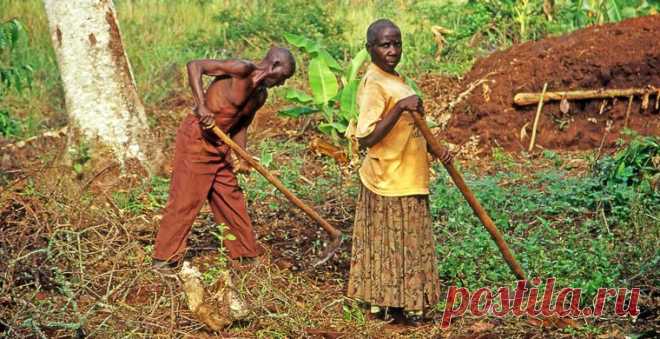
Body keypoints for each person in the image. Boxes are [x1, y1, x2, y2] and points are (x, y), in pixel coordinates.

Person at [346, 19, 452, 326]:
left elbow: (412, 128)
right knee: (391, 245)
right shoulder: (374, 84)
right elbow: (365, 137)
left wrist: (437, 149)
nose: (392, 50)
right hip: (388, 179)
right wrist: (399, 107)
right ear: (370, 49)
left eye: (397, 44)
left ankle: (406, 303)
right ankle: (389, 304)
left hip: (410, 176)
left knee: (409, 244)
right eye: (385, 45)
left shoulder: (394, 78)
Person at [152, 48, 296, 271]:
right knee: (186, 199)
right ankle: (164, 259)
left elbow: (241, 125)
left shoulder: (260, 96)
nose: (282, 84)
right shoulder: (241, 69)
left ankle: (244, 255)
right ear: (274, 65)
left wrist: (243, 157)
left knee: (231, 198)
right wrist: (201, 105)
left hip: (220, 146)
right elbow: (195, 65)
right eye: (283, 77)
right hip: (197, 140)